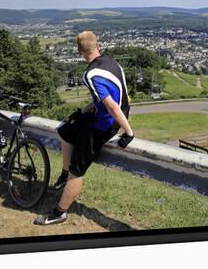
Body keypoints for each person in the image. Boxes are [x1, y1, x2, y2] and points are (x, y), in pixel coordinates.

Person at [34, 31, 134, 225]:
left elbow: (112, 106)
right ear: (98, 46)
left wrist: (128, 132)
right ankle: (63, 175)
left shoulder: (90, 75)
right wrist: (81, 111)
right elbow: (107, 98)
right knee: (65, 130)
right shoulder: (113, 63)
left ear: (80, 51)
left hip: (105, 124)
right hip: (107, 114)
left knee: (77, 170)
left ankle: (59, 212)